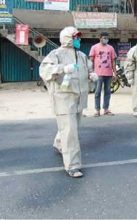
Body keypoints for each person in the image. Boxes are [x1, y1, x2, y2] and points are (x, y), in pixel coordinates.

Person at [39, 26, 92, 178]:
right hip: (63, 98)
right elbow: (44, 70)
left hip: (79, 98)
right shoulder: (56, 54)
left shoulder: (81, 55)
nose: (78, 40)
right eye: (76, 37)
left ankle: (59, 144)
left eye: (78, 37)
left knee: (70, 128)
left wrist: (91, 74)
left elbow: (88, 68)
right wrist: (63, 68)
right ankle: (73, 166)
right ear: (68, 38)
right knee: (70, 132)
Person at [89, 32, 117, 117]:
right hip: (98, 74)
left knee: (108, 92)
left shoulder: (111, 48)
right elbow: (91, 61)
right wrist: (91, 72)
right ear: (100, 38)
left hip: (108, 73)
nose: (106, 39)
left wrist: (115, 73)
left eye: (107, 38)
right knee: (97, 92)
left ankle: (106, 109)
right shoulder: (94, 47)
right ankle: (97, 110)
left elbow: (113, 61)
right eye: (104, 38)